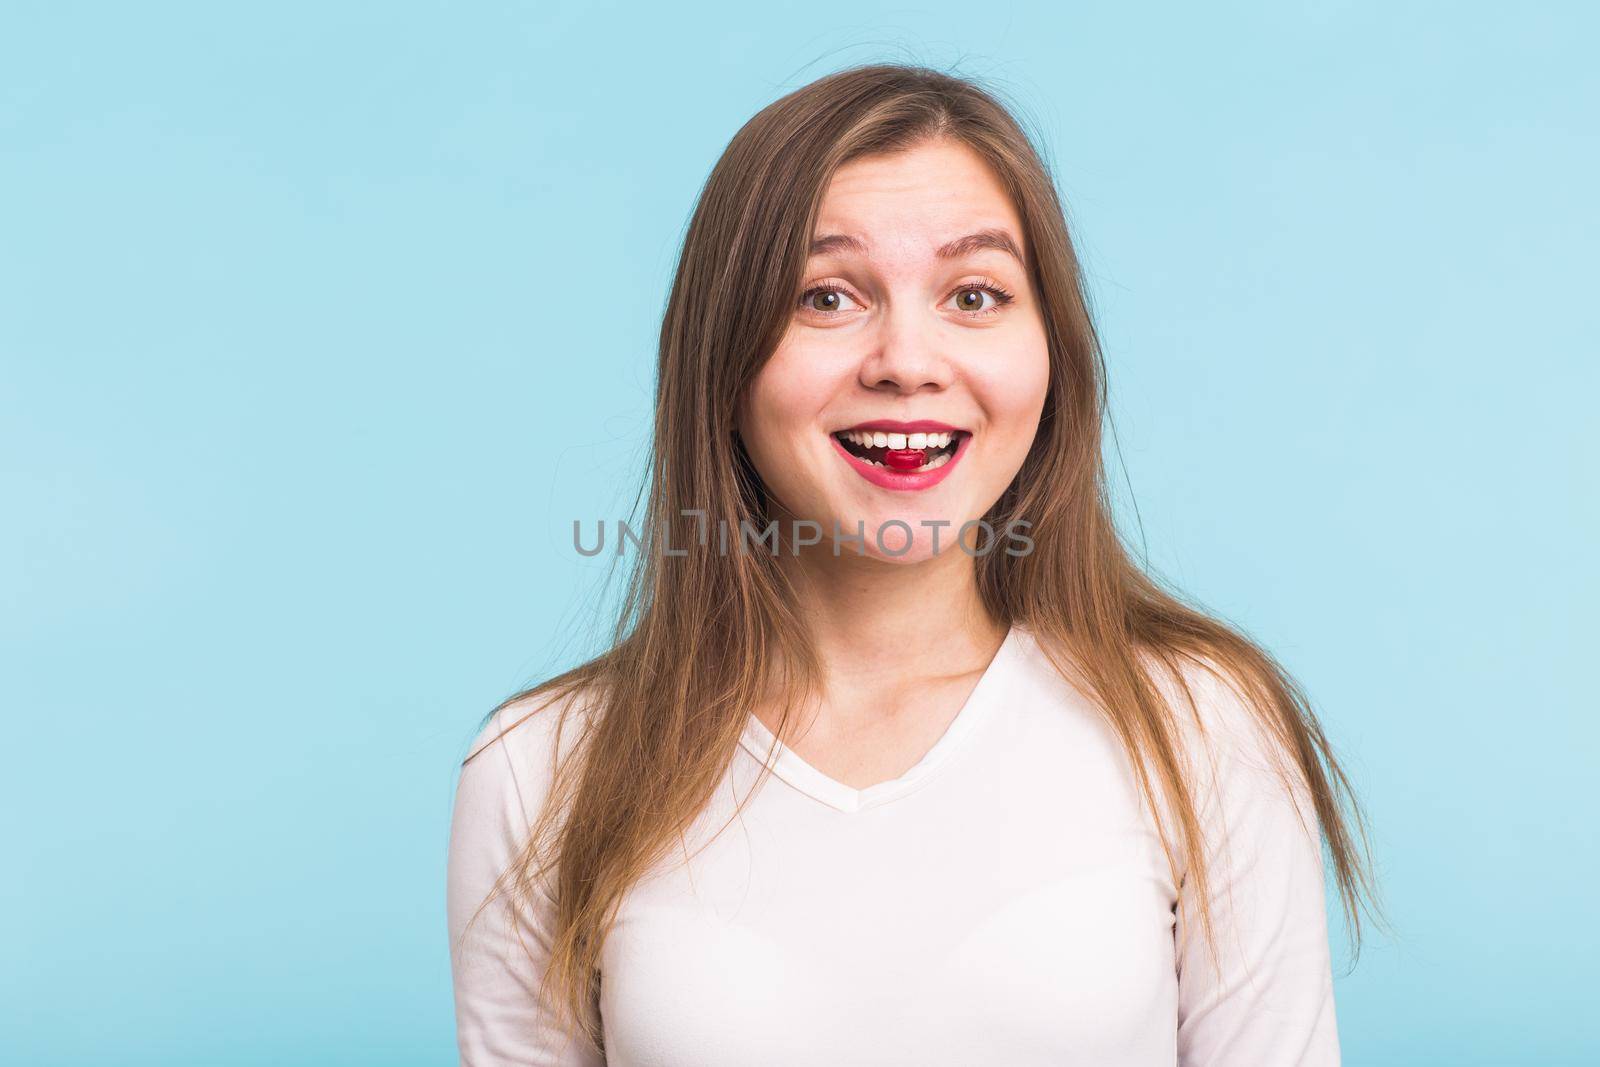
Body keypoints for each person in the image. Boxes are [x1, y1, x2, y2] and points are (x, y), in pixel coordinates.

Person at [446, 62, 1377, 1066]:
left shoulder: (1204, 725)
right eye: (827, 295)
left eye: (974, 294)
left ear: (1052, 354)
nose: (905, 358)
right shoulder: (541, 765)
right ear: (722, 357)